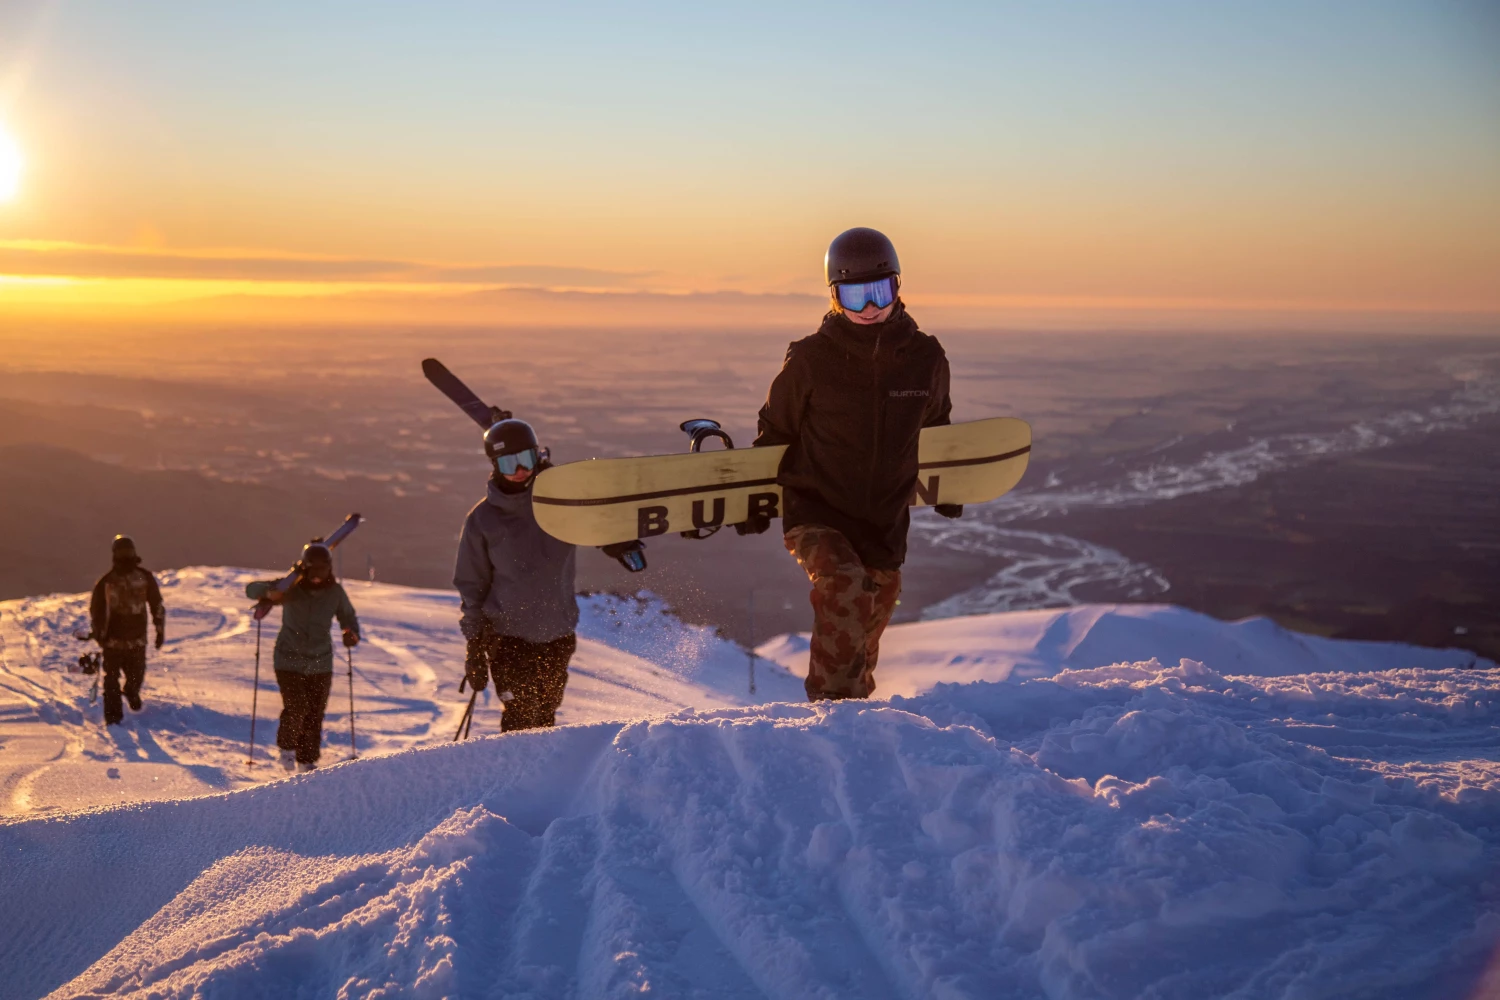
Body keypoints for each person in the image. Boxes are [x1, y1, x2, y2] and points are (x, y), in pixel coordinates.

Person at [751, 227, 962, 701]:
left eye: (878, 292)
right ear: (834, 296)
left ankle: (855, 719)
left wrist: (949, 487)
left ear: (897, 286)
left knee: (865, 631)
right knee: (844, 585)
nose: (869, 308)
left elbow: (937, 426)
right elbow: (775, 431)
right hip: (817, 511)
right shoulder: (810, 359)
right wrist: (754, 500)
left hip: (885, 521)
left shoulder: (925, 358)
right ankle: (832, 718)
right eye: (854, 295)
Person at [454, 418, 581, 732]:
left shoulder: (562, 504)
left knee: (546, 715)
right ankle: (518, 778)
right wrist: (473, 644)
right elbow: (472, 584)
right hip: (509, 638)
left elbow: (600, 520)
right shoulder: (483, 520)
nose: (520, 470)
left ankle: (542, 780)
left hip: (558, 633)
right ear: (495, 466)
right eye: (509, 463)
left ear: (538, 455)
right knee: (521, 717)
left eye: (526, 459)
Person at [245, 542, 359, 771]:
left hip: (320, 662)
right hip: (288, 660)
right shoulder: (291, 588)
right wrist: (271, 591)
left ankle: (307, 761)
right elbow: (251, 590)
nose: (317, 577)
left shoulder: (335, 592)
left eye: (322, 571)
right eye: (313, 572)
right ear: (305, 569)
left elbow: (347, 615)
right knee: (297, 706)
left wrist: (351, 632)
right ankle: (287, 747)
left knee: (315, 714)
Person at [89, 535, 166, 725]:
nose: (126, 555)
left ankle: (131, 692)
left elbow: (156, 603)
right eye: (122, 552)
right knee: (111, 679)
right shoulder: (106, 581)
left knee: (136, 677)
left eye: (128, 552)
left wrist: (160, 628)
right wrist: (99, 633)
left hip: (137, 639)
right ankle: (113, 718)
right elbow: (96, 610)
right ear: (115, 554)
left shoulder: (144, 577)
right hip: (113, 640)